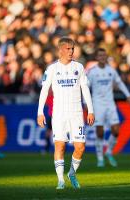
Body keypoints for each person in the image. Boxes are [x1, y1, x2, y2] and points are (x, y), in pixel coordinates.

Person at [37, 37, 94, 190]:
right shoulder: (52, 69)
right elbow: (44, 91)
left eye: (72, 49)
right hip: (59, 114)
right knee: (60, 146)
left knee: (80, 147)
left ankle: (72, 173)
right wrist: (40, 112)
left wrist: (90, 110)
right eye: (68, 49)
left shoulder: (79, 67)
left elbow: (85, 89)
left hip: (76, 113)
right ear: (60, 50)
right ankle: (60, 181)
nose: (71, 51)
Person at [87, 48, 130, 167]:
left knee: (116, 130)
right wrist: (86, 103)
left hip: (110, 103)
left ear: (106, 57)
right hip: (97, 103)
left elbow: (120, 83)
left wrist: (128, 95)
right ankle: (100, 158)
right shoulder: (92, 72)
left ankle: (109, 152)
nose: (102, 57)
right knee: (100, 132)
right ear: (97, 58)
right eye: (100, 56)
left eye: (104, 55)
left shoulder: (111, 70)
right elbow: (85, 88)